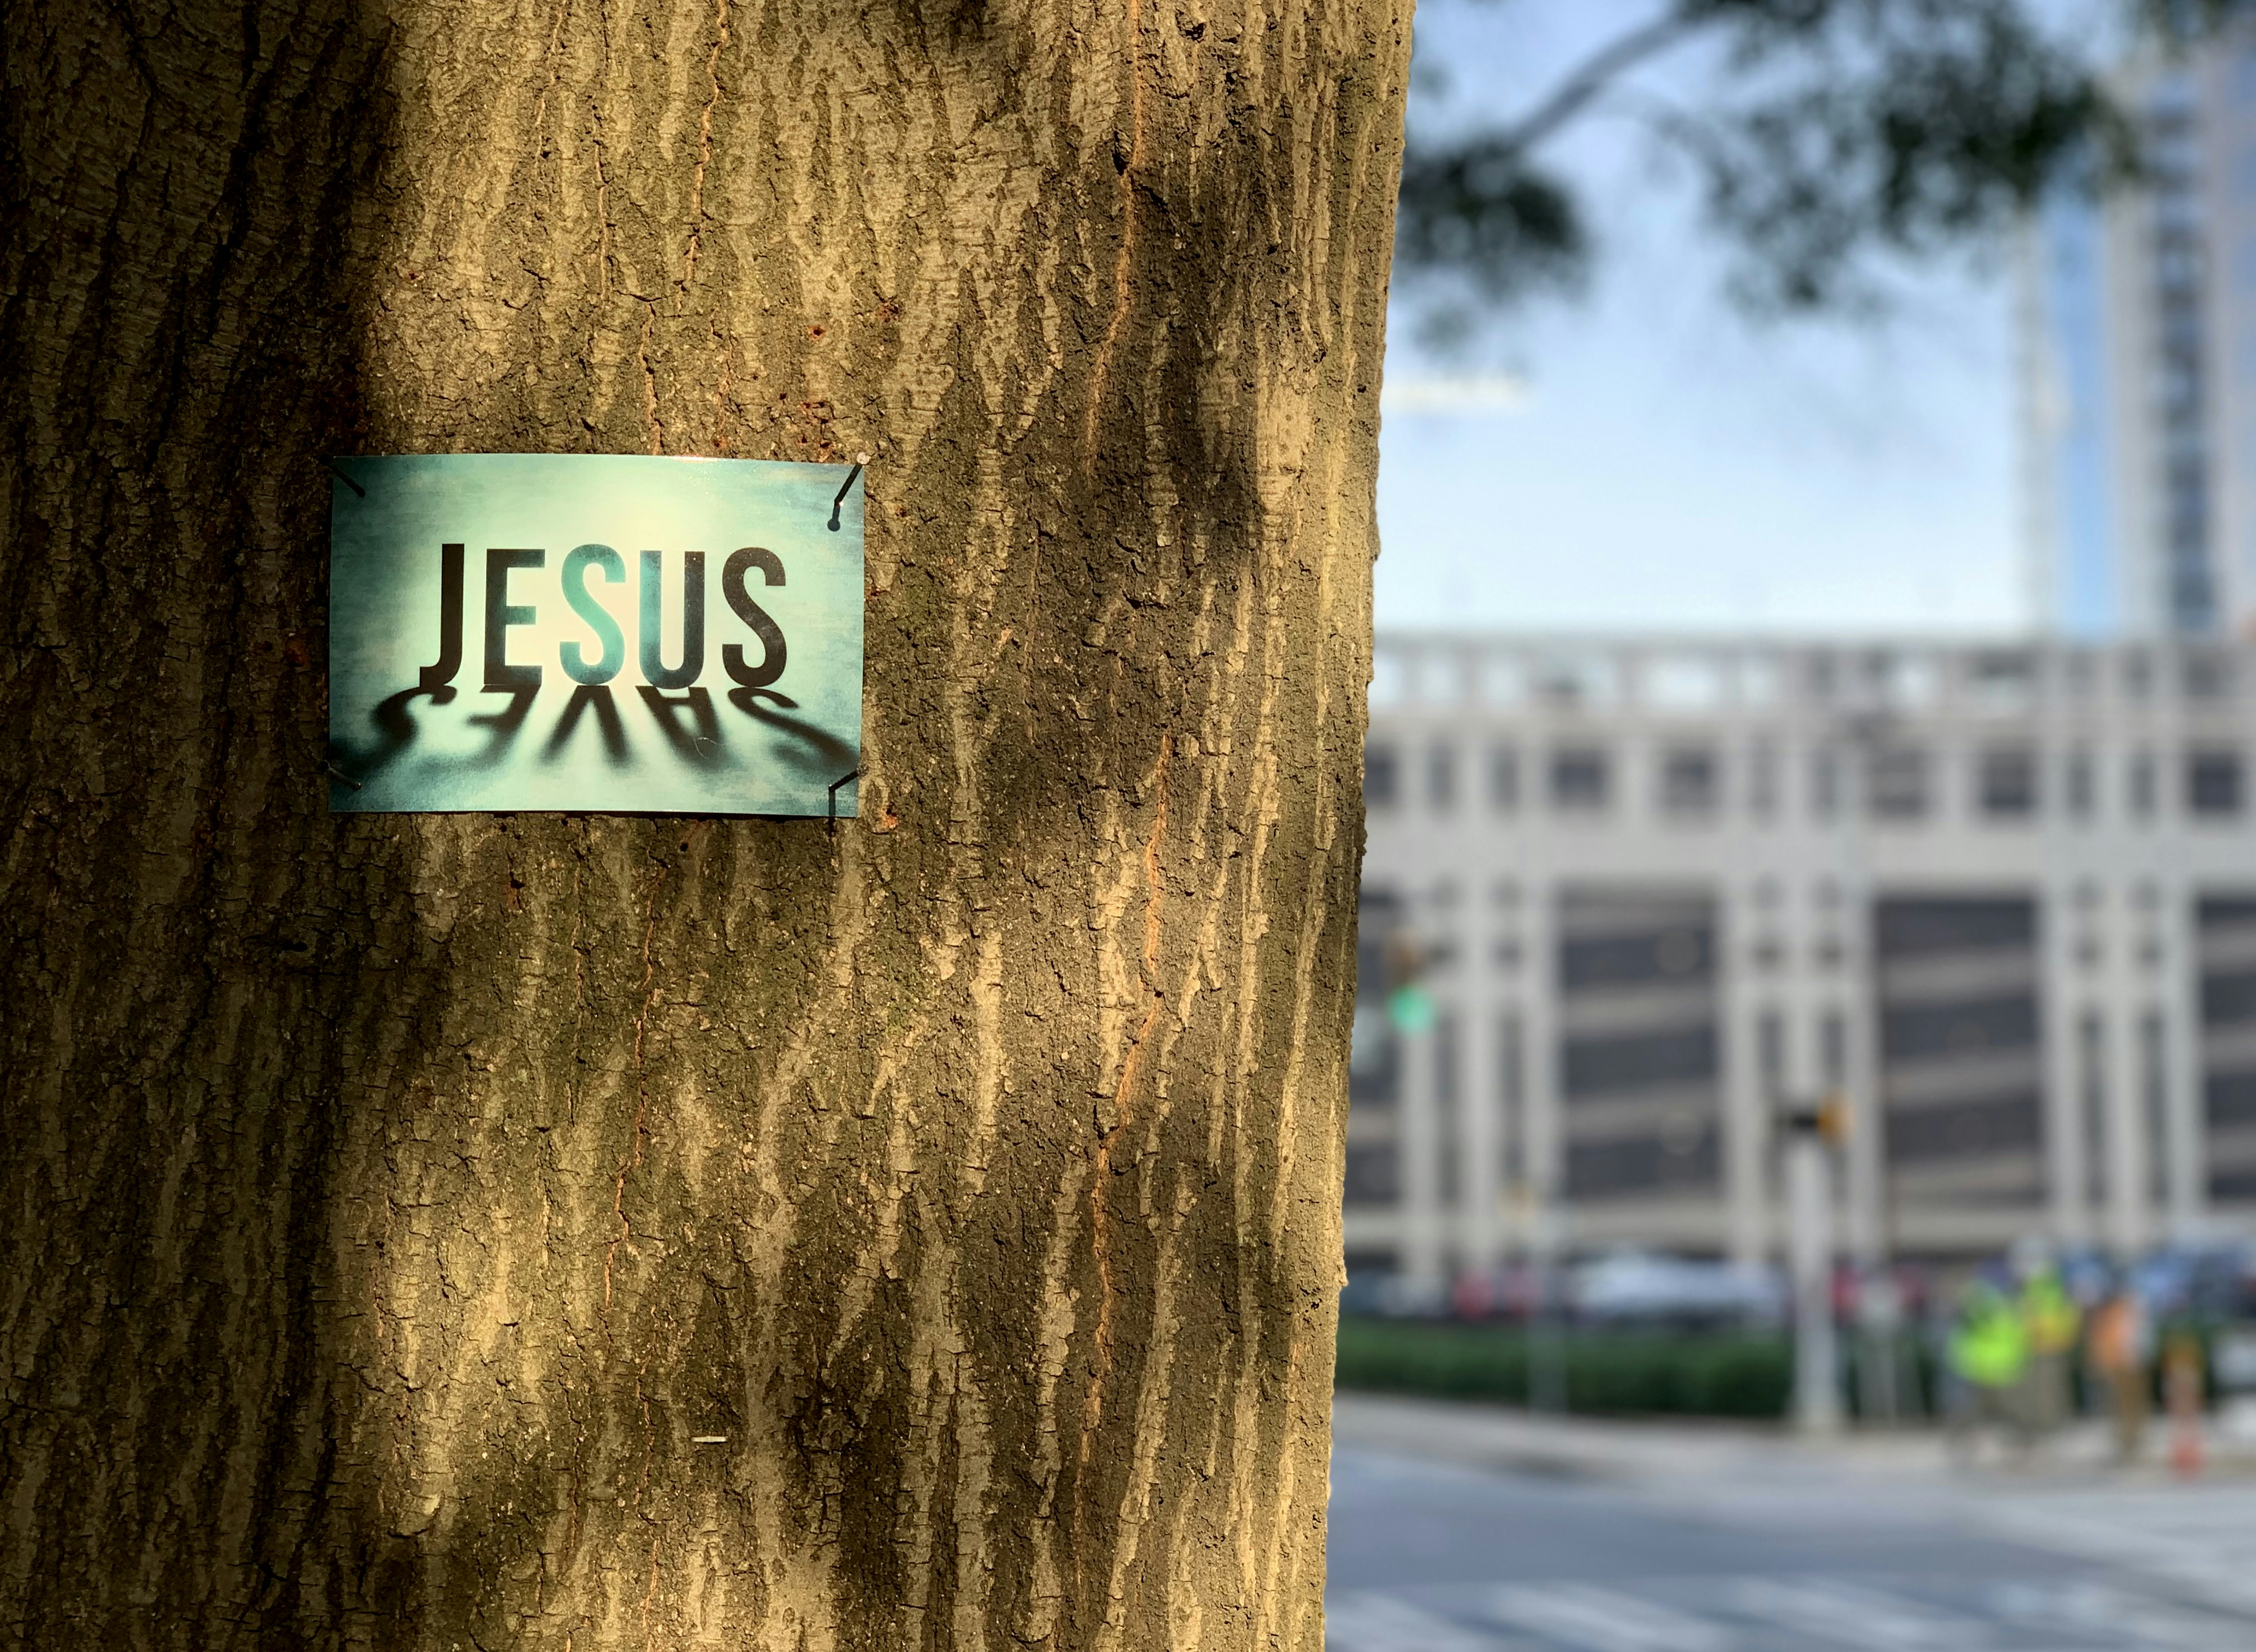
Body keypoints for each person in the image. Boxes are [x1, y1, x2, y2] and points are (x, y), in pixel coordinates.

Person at [1947, 1277, 2030, 1463]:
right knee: (1980, 1410)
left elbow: (2013, 1338)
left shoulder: (1981, 1313)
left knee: (1998, 1410)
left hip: (1993, 1368)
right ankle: (1966, 1443)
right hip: (1987, 1368)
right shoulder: (1997, 1311)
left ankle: (2019, 1442)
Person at [2016, 1262, 2083, 1445]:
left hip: (2052, 1348)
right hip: (2034, 1350)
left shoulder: (2056, 1295)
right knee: (2039, 1390)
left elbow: (2069, 1321)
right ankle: (2042, 1424)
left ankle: (2053, 1424)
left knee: (2053, 1389)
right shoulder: (2033, 1295)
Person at [2085, 1287, 2151, 1465]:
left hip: (2131, 1365)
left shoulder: (2133, 1316)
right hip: (2119, 1365)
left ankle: (2133, 1440)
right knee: (2119, 1405)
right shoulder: (2110, 1317)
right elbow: (2104, 1343)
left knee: (2133, 1404)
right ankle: (2125, 1441)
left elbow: (2140, 1342)